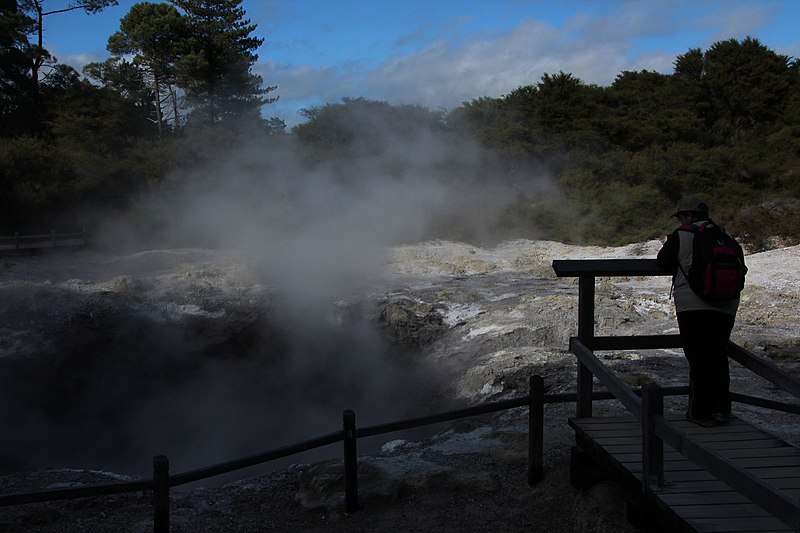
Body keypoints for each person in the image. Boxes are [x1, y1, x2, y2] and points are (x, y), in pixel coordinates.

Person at [656, 197, 744, 427]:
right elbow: (741, 268)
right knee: (718, 355)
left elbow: (663, 263)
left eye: (681, 217)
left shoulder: (681, 236)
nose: (680, 221)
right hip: (726, 304)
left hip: (693, 305)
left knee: (698, 358)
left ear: (688, 216)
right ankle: (722, 410)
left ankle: (701, 413)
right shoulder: (726, 236)